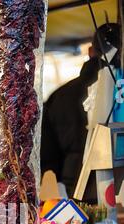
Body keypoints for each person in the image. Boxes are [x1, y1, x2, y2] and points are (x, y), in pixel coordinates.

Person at [41, 23, 121, 203]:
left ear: (91, 51)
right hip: (117, 191)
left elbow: (47, 158)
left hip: (72, 192)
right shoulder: (119, 89)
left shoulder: (59, 96)